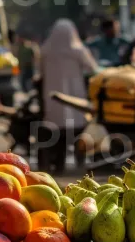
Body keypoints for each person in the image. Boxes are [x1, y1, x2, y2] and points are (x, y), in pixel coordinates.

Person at [39, 19, 99, 174]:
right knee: (78, 130)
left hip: (52, 98)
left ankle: (58, 164)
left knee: (56, 131)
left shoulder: (45, 51)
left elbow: (39, 72)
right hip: (75, 97)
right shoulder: (78, 50)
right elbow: (93, 68)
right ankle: (80, 163)